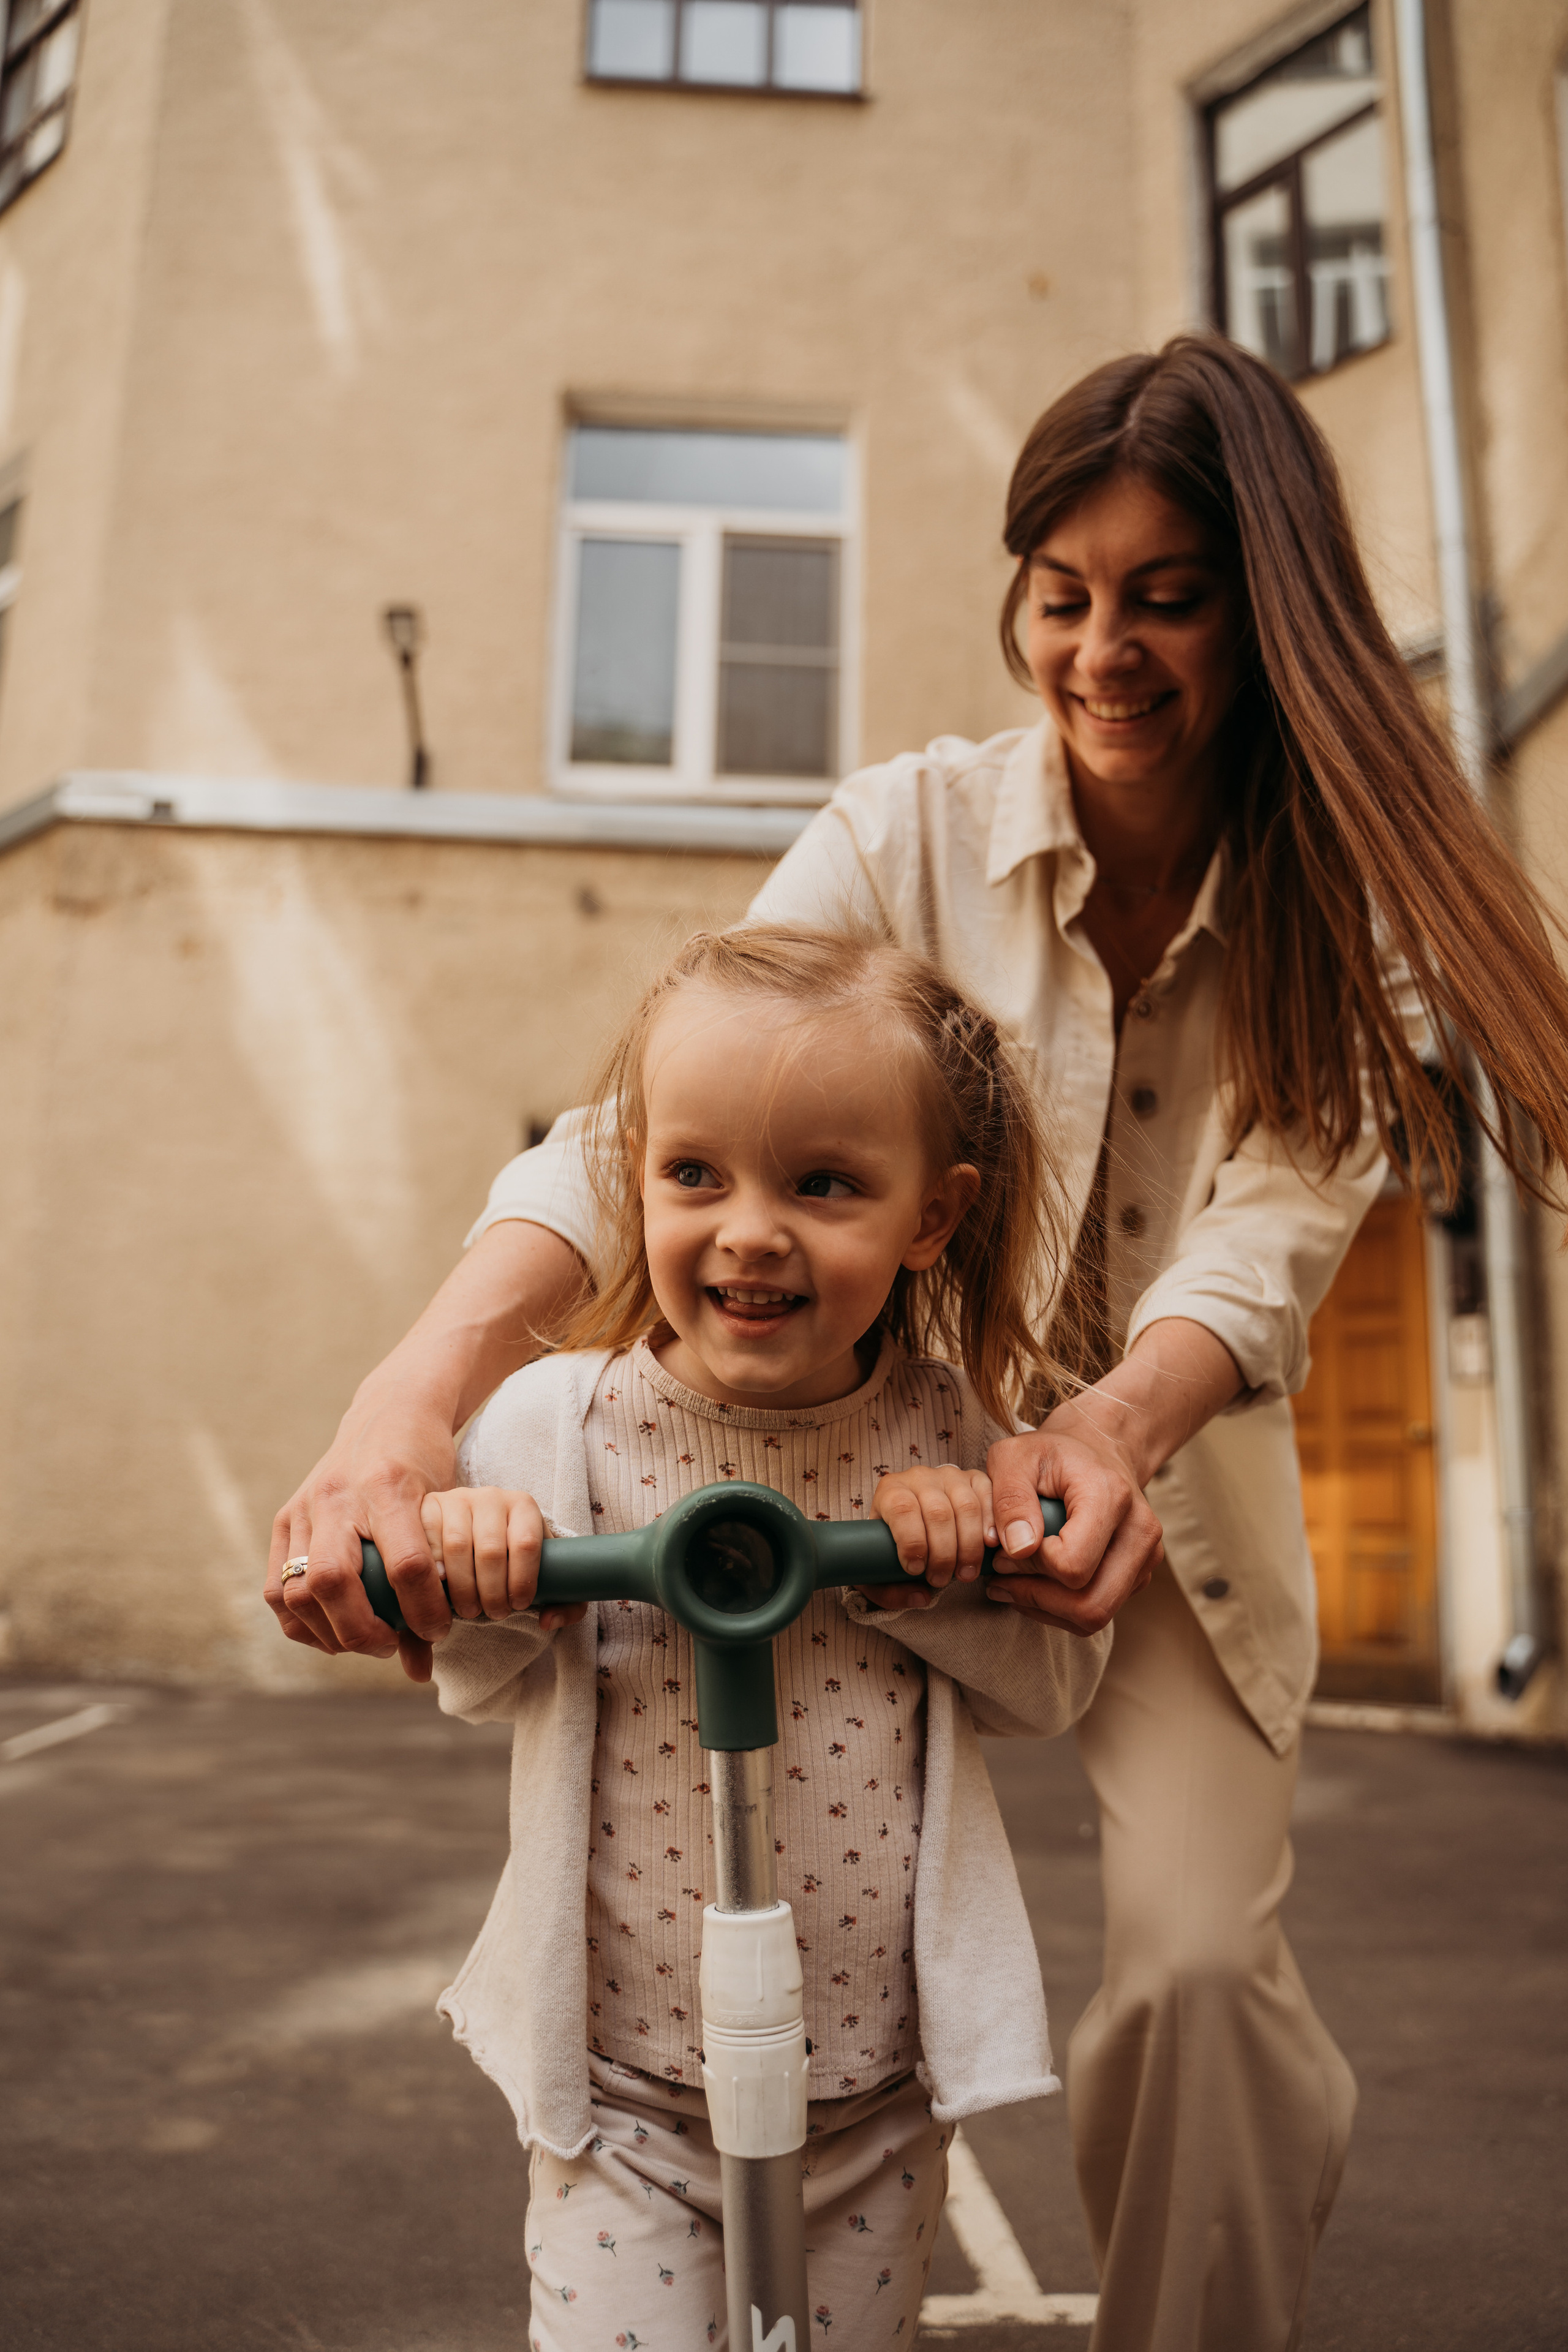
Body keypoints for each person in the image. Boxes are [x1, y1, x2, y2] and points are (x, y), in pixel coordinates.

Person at [270, 336, 1568, 2352]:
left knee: (1202, 1978)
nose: (1103, 653)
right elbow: (644, 1129)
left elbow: (1269, 1243)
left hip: (1163, 1485)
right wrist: (405, 1402)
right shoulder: (907, 833)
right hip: (862, 1444)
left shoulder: (1347, 901)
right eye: (1064, 595)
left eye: (1168, 599)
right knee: (757, 1862)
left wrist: (1108, 1434)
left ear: (1270, 612)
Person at [408, 923, 1109, 2348]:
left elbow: (1050, 1685)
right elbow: (474, 1683)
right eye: (694, 1174)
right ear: (633, 1178)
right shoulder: (553, 1423)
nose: (747, 1230)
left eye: (823, 1184)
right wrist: (489, 1572)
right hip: (623, 2095)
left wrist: (942, 1577)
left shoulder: (941, 1430)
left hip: (868, 2098)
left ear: (930, 1217)